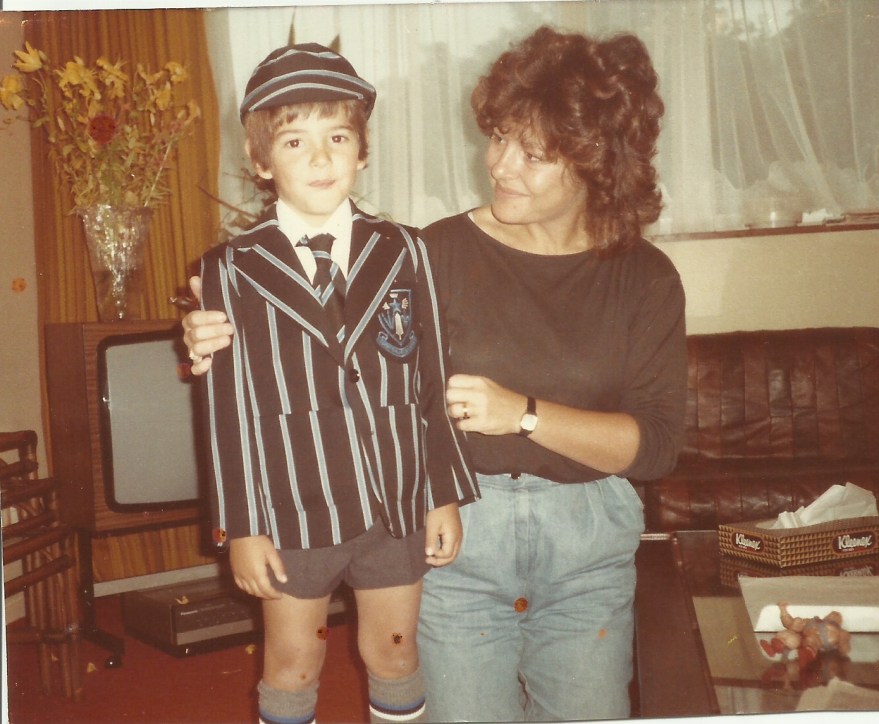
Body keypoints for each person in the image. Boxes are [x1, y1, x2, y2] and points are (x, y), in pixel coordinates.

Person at [184, 26, 686, 722]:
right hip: (461, 540)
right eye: (499, 136)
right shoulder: (432, 251)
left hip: (586, 549)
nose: (501, 165)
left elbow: (658, 445)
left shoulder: (645, 279)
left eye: (533, 153)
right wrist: (209, 334)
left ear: (597, 166)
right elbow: (348, 356)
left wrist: (525, 414)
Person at [196, 42, 478, 724]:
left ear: (363, 149)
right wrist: (240, 525)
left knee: (396, 652)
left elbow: (429, 375)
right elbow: (225, 407)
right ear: (262, 162)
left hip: (394, 499)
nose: (321, 159)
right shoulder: (230, 268)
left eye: (338, 137)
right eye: (295, 141)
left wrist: (441, 493)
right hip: (292, 508)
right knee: (293, 662)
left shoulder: (405, 249)